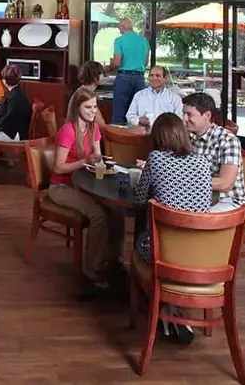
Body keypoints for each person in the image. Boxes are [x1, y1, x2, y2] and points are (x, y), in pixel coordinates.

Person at [134, 113, 213, 344]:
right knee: (166, 243)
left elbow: (140, 201)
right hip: (200, 253)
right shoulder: (202, 162)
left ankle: (162, 305)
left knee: (144, 240)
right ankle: (173, 311)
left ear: (158, 136)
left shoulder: (156, 159)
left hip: (163, 252)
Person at [48, 87, 124, 297]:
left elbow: (97, 156)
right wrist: (84, 161)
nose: (93, 111)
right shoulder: (68, 130)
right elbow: (58, 167)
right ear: (77, 107)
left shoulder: (93, 130)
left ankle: (114, 260)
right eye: (88, 107)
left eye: (95, 107)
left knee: (116, 211)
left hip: (85, 184)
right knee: (98, 215)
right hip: (61, 186)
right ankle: (92, 269)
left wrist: (101, 161)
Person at [181, 93, 245, 210]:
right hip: (200, 197)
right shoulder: (188, 136)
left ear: (207, 115)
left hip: (227, 201)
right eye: (184, 113)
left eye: (189, 114)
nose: (184, 119)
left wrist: (185, 181)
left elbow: (225, 184)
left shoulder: (227, 140)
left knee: (187, 217)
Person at [109, 18, 149, 124]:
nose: (119, 30)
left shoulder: (119, 40)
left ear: (123, 26)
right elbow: (145, 63)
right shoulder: (144, 41)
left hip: (124, 78)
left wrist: (109, 66)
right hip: (140, 79)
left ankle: (118, 138)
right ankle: (134, 138)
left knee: (119, 112)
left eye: (119, 28)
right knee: (136, 112)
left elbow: (117, 62)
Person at [77, 60, 107, 129]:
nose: (103, 76)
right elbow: (101, 125)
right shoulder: (87, 96)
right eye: (102, 73)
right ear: (95, 78)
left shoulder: (81, 91)